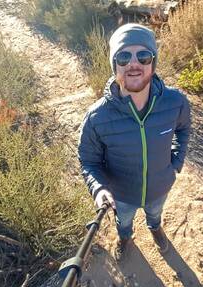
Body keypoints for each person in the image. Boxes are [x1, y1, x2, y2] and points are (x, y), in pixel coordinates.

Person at [77, 23, 191, 261]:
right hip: (122, 195)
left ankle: (156, 229)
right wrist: (98, 188)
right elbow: (89, 160)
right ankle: (125, 238)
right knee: (123, 222)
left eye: (143, 55)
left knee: (155, 214)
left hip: (160, 187)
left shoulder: (176, 102)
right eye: (123, 56)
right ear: (114, 64)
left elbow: (183, 130)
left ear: (153, 61)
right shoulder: (97, 117)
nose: (133, 63)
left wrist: (176, 163)